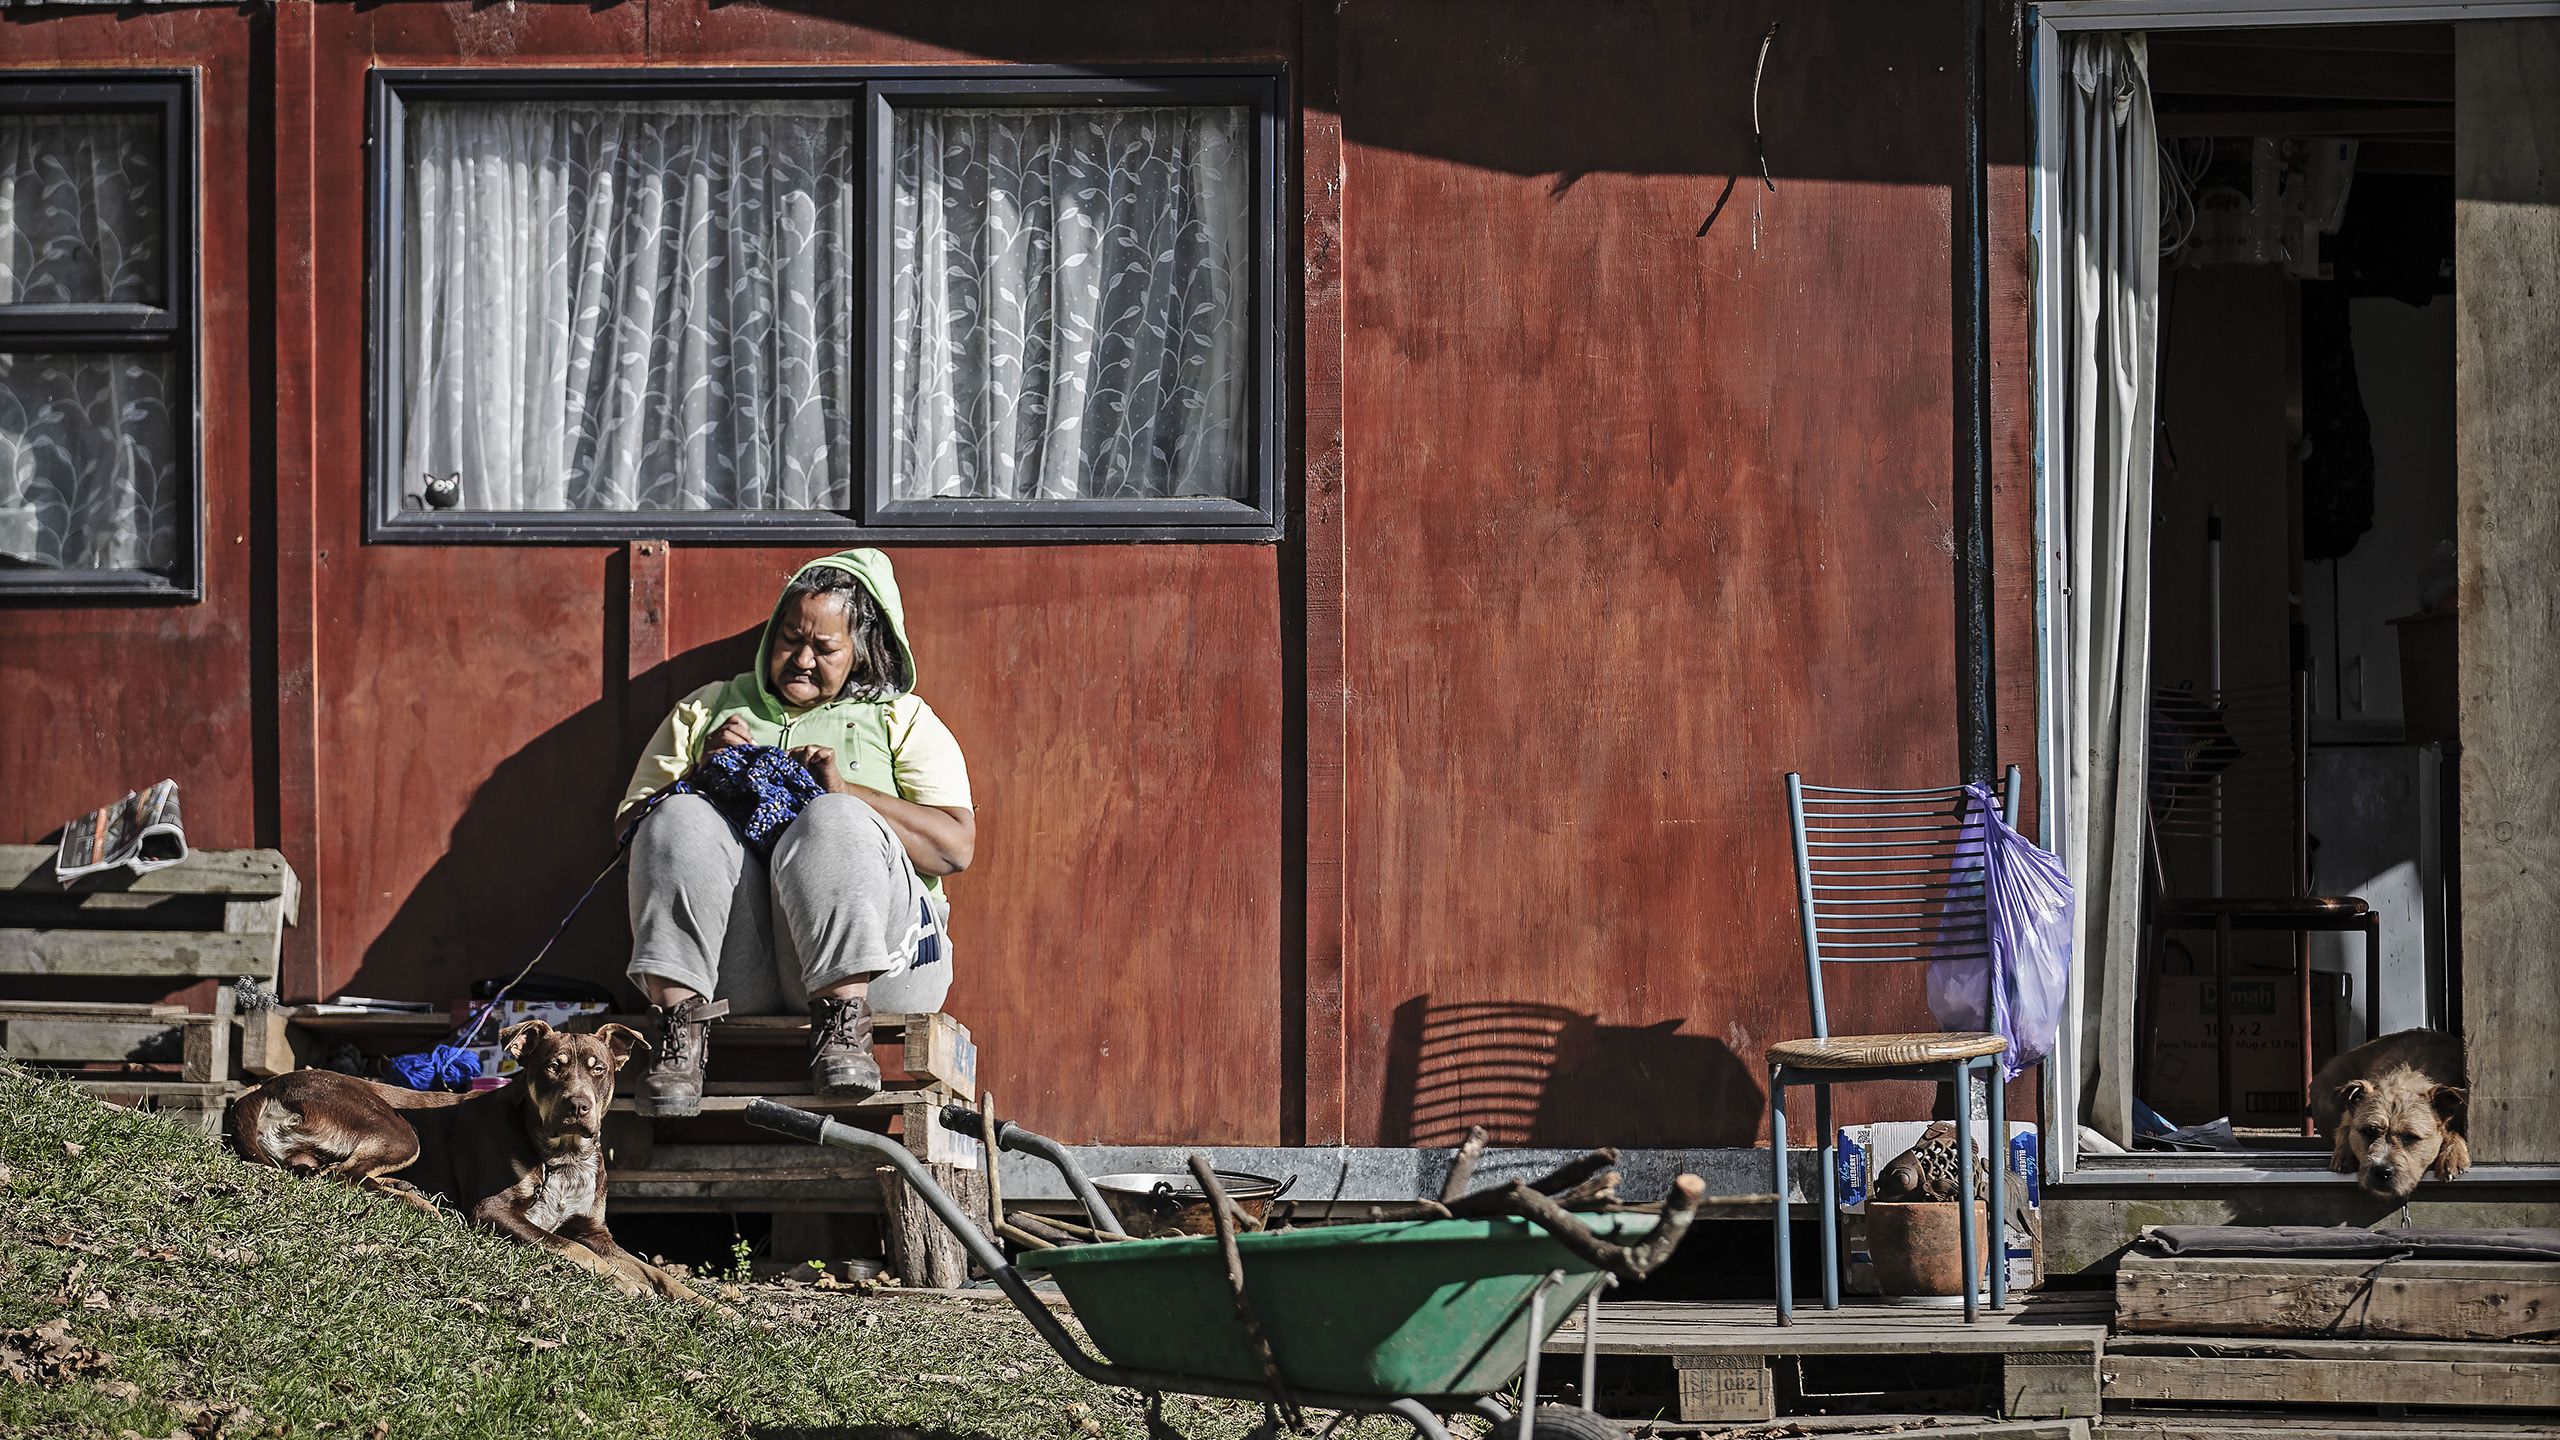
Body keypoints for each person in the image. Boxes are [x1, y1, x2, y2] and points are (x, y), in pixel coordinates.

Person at [617, 550, 974, 1117]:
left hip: (887, 970)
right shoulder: (709, 708)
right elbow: (634, 830)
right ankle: (678, 1036)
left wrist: (845, 792)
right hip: (743, 971)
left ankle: (843, 1032)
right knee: (677, 816)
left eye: (826, 648)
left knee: (832, 818)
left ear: (862, 650)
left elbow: (955, 847)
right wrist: (697, 776)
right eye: (789, 640)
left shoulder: (901, 717)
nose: (802, 659)